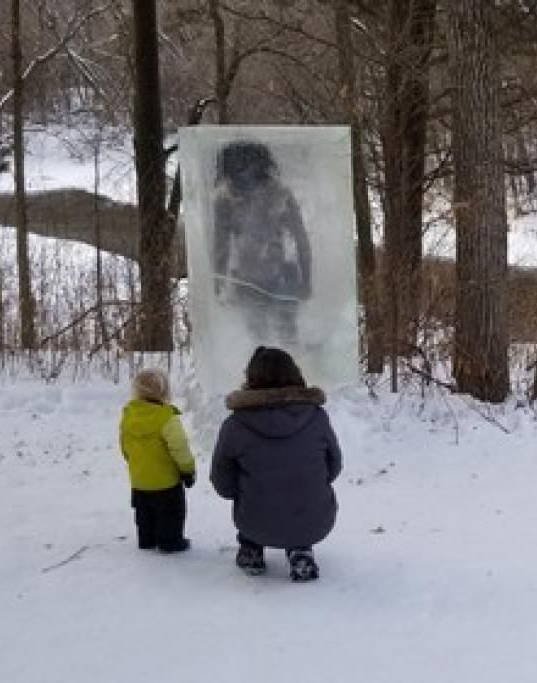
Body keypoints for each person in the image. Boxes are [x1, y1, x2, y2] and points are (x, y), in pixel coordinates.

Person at [209, 347, 342, 582]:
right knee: (296, 499)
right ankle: (301, 549)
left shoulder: (235, 424)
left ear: (251, 378)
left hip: (254, 520)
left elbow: (222, 479)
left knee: (255, 502)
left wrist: (238, 493)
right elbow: (334, 465)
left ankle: (251, 549)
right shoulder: (316, 417)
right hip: (314, 520)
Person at [211, 140, 312, 344]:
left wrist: (306, 279)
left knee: (285, 338)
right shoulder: (225, 199)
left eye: (247, 168)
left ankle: (289, 368)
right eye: (238, 169)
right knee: (261, 341)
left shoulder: (279, 194)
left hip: (280, 277)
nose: (244, 175)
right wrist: (217, 284)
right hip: (249, 281)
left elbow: (301, 240)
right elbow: (220, 247)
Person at [119, 369, 196, 553]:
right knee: (171, 513)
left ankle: (147, 539)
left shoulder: (129, 415)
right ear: (164, 391)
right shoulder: (166, 418)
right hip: (166, 484)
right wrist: (187, 469)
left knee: (143, 513)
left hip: (139, 482)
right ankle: (170, 541)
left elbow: (124, 444)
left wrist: (132, 462)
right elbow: (180, 447)